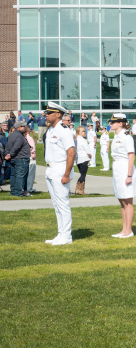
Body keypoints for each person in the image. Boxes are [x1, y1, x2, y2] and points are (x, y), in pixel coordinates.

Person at [43, 102, 76, 245]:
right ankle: (61, 233)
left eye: (49, 113)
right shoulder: (51, 130)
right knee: (56, 204)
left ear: (58, 114)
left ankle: (67, 236)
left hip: (61, 169)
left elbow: (71, 152)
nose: (46, 115)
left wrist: (67, 174)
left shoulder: (64, 130)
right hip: (51, 168)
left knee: (63, 204)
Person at [108, 114, 136, 238]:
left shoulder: (126, 137)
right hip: (118, 169)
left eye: (113, 122)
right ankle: (124, 229)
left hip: (125, 168)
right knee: (121, 200)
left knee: (127, 201)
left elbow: (131, 156)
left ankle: (129, 230)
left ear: (120, 123)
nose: (111, 124)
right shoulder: (116, 136)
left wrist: (129, 175)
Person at [5, 122, 31, 197]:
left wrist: (8, 154)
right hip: (21, 159)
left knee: (13, 176)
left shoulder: (12, 135)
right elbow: (16, 147)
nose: (24, 128)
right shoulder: (19, 136)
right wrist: (10, 154)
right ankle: (18, 193)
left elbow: (7, 146)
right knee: (20, 176)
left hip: (14, 159)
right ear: (19, 127)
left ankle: (13, 192)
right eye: (23, 126)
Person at [74, 126, 92, 195]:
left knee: (82, 174)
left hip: (78, 158)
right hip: (84, 158)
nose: (85, 132)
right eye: (84, 131)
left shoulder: (75, 140)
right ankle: (80, 190)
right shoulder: (83, 140)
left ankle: (78, 189)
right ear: (81, 132)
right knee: (83, 175)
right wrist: (90, 156)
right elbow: (87, 150)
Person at [25, 125, 37, 194]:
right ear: (29, 130)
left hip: (25, 156)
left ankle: (27, 187)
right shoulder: (29, 138)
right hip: (31, 157)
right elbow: (32, 148)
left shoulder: (23, 137)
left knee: (27, 173)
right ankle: (29, 188)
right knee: (31, 174)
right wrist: (33, 155)